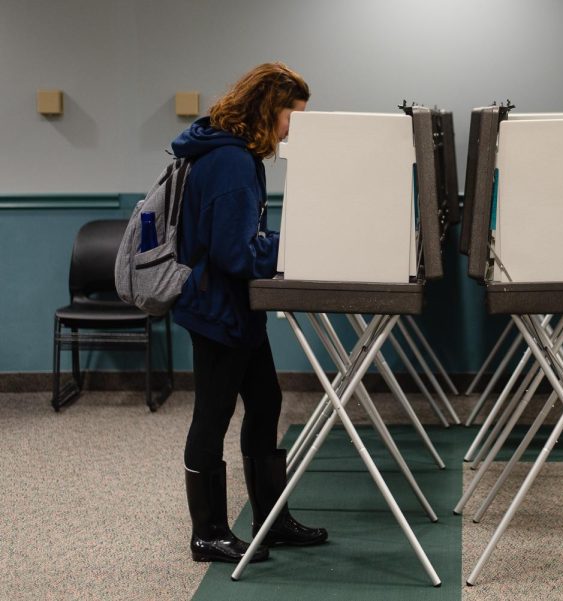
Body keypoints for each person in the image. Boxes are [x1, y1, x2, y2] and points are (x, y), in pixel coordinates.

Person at [171, 62, 327, 563]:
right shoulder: (232, 163)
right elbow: (234, 254)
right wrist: (292, 245)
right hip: (219, 309)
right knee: (212, 416)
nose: (292, 131)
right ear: (268, 108)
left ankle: (271, 520)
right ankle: (209, 533)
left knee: (265, 402)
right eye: (291, 118)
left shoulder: (230, 154)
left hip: (236, 308)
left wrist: (275, 244)